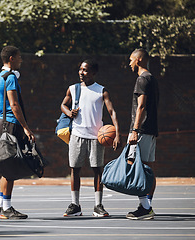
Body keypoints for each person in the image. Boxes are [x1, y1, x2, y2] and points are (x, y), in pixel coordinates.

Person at [61, 59, 121, 217]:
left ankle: (98, 206)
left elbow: (112, 112)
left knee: (98, 171)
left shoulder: (101, 90)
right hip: (77, 135)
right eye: (80, 69)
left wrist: (117, 133)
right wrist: (69, 113)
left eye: (85, 70)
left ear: (93, 73)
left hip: (96, 137)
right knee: (75, 169)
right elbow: (63, 105)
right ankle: (75, 205)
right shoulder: (73, 89)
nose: (81, 72)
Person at [0, 46, 36, 220]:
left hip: (1, 122)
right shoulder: (10, 77)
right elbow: (14, 105)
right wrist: (25, 127)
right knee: (10, 167)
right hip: (11, 124)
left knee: (6, 165)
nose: (21, 60)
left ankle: (0, 206)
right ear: (11, 58)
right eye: (19, 57)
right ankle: (7, 209)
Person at [126, 48, 159, 220]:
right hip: (151, 129)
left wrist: (134, 130)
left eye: (131, 60)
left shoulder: (142, 79)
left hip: (142, 130)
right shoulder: (152, 78)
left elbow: (141, 106)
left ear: (138, 60)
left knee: (140, 168)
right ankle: (146, 205)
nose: (129, 63)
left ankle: (146, 208)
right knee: (148, 169)